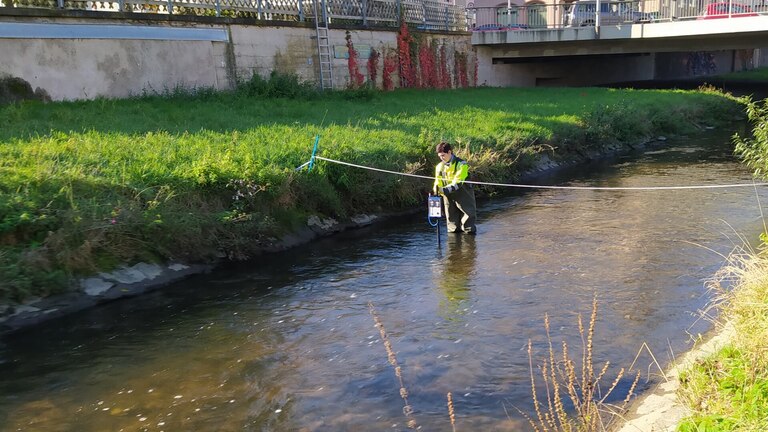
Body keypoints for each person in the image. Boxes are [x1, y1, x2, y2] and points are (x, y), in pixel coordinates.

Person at [433, 142, 477, 234]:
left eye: (443, 155)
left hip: (463, 194)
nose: (441, 158)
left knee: (468, 224)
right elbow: (437, 182)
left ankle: (469, 244)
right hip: (448, 196)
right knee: (452, 226)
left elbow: (458, 182)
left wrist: (444, 190)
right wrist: (437, 191)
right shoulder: (439, 167)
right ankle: (454, 245)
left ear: (449, 152)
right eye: (439, 156)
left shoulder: (462, 164)